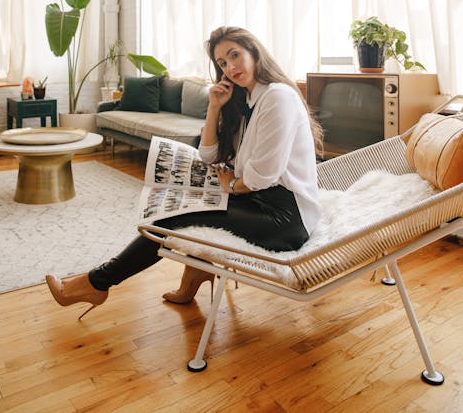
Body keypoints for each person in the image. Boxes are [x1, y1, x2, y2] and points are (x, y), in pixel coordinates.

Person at [45, 26, 322, 315]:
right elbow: (208, 154)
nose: (231, 67)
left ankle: (97, 283)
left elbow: (261, 176)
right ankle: (196, 272)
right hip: (258, 199)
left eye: (235, 55)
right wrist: (215, 107)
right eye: (223, 63)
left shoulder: (277, 97)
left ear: (254, 51)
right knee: (183, 199)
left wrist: (230, 186)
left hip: (286, 217)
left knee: (172, 217)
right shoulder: (247, 100)